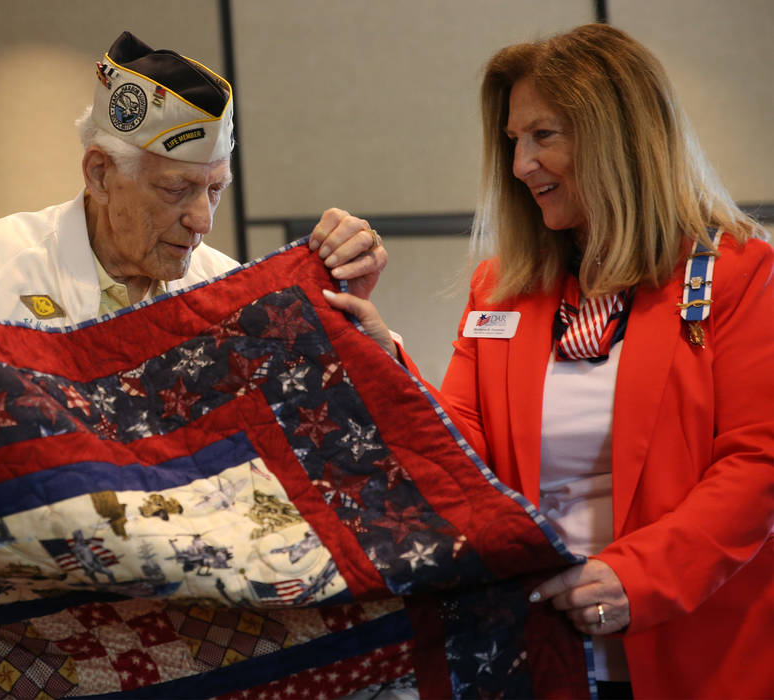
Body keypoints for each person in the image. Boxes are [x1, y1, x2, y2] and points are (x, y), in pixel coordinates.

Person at [324, 23, 773, 700]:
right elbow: (461, 452)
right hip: (538, 662)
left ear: (616, 136)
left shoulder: (740, 276)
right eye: (513, 142)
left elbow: (755, 467)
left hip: (698, 659)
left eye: (544, 136)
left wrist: (637, 578)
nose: (519, 165)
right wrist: (384, 355)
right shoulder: (502, 289)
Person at [0, 31, 386, 397]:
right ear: (99, 175)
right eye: (177, 189)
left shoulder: (227, 292)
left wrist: (362, 334)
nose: (203, 220)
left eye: (215, 191)